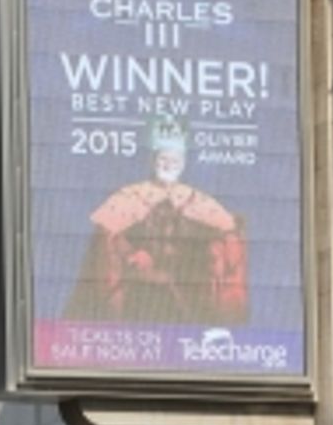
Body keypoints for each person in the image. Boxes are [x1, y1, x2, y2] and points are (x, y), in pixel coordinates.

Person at [64, 118, 247, 329]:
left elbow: (227, 233)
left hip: (186, 286)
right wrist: (131, 253)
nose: (168, 165)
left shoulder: (198, 201)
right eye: (163, 159)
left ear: (183, 164)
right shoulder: (129, 196)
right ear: (153, 161)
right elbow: (107, 239)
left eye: (175, 161)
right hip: (136, 290)